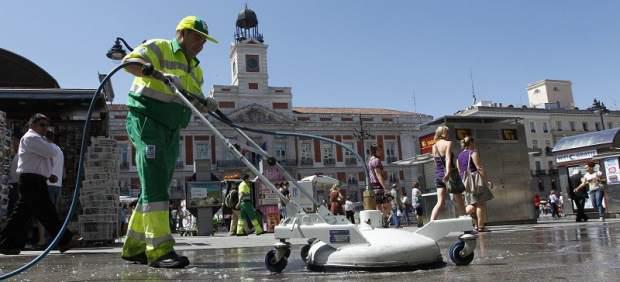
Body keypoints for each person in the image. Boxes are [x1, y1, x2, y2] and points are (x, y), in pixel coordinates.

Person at [119, 16, 219, 269]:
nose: (201, 44)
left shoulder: (196, 68)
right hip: (147, 120)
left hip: (172, 128)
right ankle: (160, 250)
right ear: (182, 34)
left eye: (204, 40)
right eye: (197, 37)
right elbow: (129, 62)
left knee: (157, 184)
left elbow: (191, 99)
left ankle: (134, 247)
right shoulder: (158, 47)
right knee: (155, 184)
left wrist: (205, 104)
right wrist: (151, 70)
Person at [0, 114, 79, 255]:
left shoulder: (38, 140)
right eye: (42, 125)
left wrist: (49, 175)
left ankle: (7, 244)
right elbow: (51, 152)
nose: (45, 128)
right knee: (47, 212)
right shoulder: (31, 138)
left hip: (36, 180)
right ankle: (64, 240)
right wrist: (50, 146)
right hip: (32, 181)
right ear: (33, 125)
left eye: (46, 125)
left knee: (23, 215)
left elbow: (37, 162)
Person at [457, 136, 493, 232]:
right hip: (474, 180)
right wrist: (487, 180)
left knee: (472, 202)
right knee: (480, 204)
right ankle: (481, 226)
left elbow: (459, 171)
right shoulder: (473, 153)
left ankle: (476, 225)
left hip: (464, 181)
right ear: (471, 143)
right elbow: (479, 168)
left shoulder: (459, 156)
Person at [430, 126, 465, 220]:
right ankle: (467, 225)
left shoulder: (434, 146)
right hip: (450, 175)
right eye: (447, 132)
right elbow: (448, 158)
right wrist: (448, 172)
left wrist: (441, 173)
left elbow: (435, 162)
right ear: (443, 133)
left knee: (440, 202)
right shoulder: (448, 143)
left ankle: (431, 222)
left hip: (439, 175)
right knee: (459, 199)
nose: (449, 134)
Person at [368, 144, 391, 226]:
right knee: (389, 207)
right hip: (379, 186)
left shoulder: (370, 160)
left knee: (379, 207)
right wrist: (385, 188)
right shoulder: (376, 161)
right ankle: (380, 219)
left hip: (373, 187)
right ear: (375, 151)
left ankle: (381, 223)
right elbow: (378, 174)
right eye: (379, 150)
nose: (381, 152)